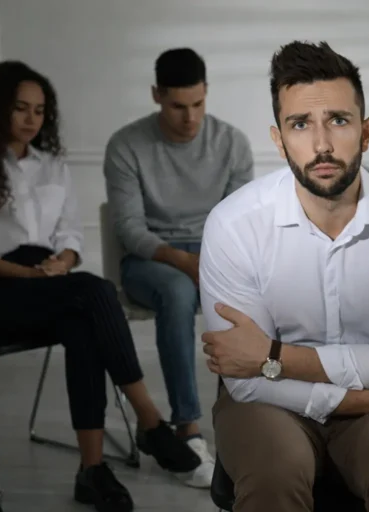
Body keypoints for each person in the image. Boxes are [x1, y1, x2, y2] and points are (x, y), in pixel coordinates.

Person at [198, 41, 369, 512]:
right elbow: (244, 378)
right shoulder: (233, 224)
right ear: (278, 139)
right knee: (272, 479)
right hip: (270, 401)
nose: (321, 145)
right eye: (300, 124)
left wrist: (272, 355)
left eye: (338, 120)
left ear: (366, 130)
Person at [0, 61, 203, 512]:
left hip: (48, 283)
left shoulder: (51, 165)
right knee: (94, 294)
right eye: (20, 108)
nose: (30, 119)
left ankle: (92, 470)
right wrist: (27, 274)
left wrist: (63, 260)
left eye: (39, 110)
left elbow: (70, 234)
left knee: (84, 320)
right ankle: (152, 421)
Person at [103, 48, 254, 487]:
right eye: (177, 106)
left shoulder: (232, 142)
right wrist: (184, 261)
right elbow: (130, 230)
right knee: (178, 291)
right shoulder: (126, 144)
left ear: (206, 94)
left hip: (214, 252)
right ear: (156, 95)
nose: (190, 118)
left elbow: (241, 219)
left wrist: (211, 259)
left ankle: (259, 423)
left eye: (198, 105)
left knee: (273, 288)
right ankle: (187, 428)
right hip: (152, 259)